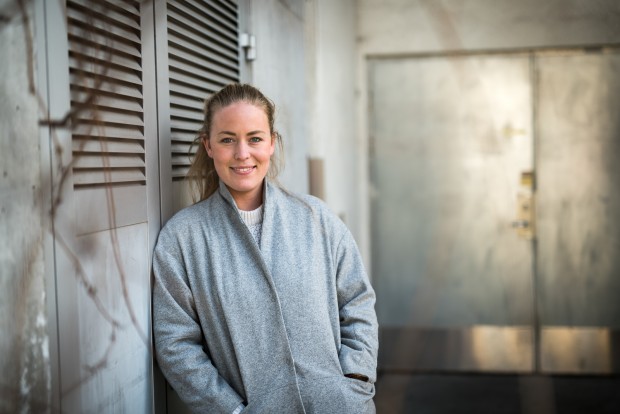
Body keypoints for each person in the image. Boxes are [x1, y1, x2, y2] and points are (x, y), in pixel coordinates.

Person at [152, 83, 378, 413]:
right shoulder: (182, 238)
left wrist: (355, 380)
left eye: (255, 138)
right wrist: (231, 410)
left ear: (272, 143)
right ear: (208, 146)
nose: (242, 153)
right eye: (227, 139)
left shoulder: (316, 218)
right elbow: (176, 344)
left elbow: (357, 301)